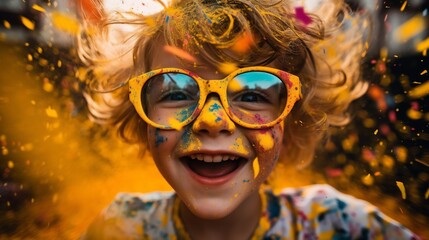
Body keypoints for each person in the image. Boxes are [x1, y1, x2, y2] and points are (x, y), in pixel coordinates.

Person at [77, 0, 420, 239]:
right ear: (142, 118)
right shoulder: (119, 228)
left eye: (252, 94)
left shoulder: (342, 226)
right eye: (176, 92)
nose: (212, 121)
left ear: (293, 120)